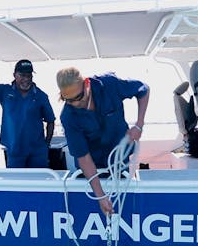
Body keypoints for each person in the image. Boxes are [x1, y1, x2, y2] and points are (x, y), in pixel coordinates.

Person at [56, 67, 149, 215]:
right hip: (90, 170)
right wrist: (100, 196)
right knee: (92, 210)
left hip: (119, 163)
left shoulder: (109, 84)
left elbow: (143, 90)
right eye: (68, 100)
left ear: (86, 83)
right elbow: (84, 158)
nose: (75, 104)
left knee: (121, 206)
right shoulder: (68, 116)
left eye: (78, 97)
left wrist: (139, 124)